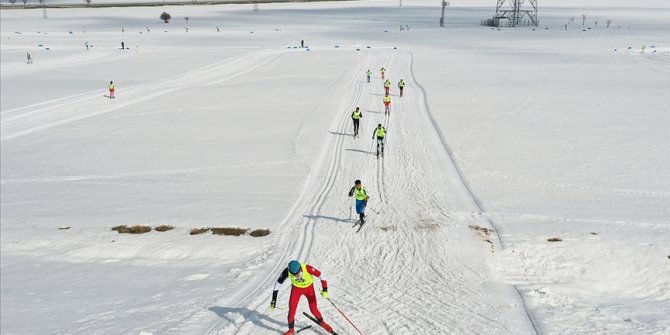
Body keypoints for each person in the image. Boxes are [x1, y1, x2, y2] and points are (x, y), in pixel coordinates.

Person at [270, 260, 333, 335]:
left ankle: (322, 322)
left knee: (313, 309)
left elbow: (321, 275)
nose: (297, 276)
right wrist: (274, 299)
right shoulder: (287, 271)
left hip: (309, 289)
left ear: (300, 268)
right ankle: (291, 330)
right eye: (294, 275)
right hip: (296, 290)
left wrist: (325, 290)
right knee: (291, 311)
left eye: (298, 273)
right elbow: (278, 284)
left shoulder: (307, 268)